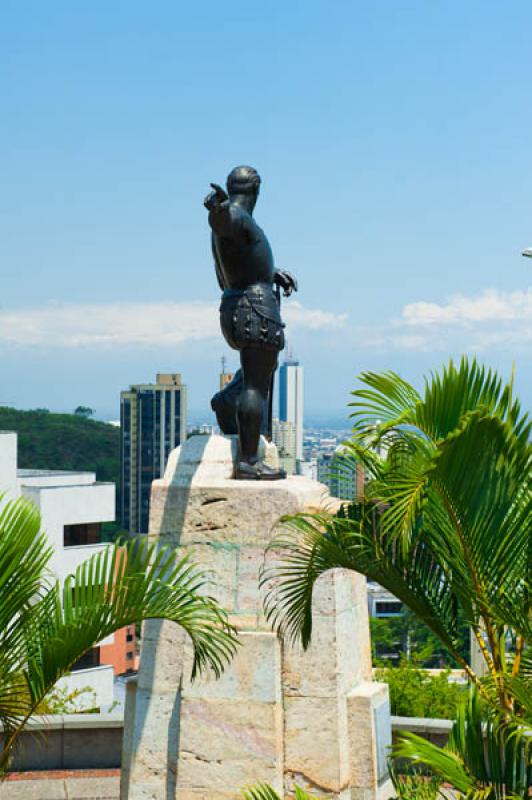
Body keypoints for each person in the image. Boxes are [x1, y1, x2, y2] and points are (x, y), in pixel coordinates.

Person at [204, 165, 297, 479]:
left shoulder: (237, 222)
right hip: (255, 307)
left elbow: (238, 263)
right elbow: (224, 222)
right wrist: (218, 210)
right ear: (257, 190)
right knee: (257, 384)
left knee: (256, 374)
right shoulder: (237, 216)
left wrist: (270, 273)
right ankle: (248, 461)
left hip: (235, 304)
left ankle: (226, 401)